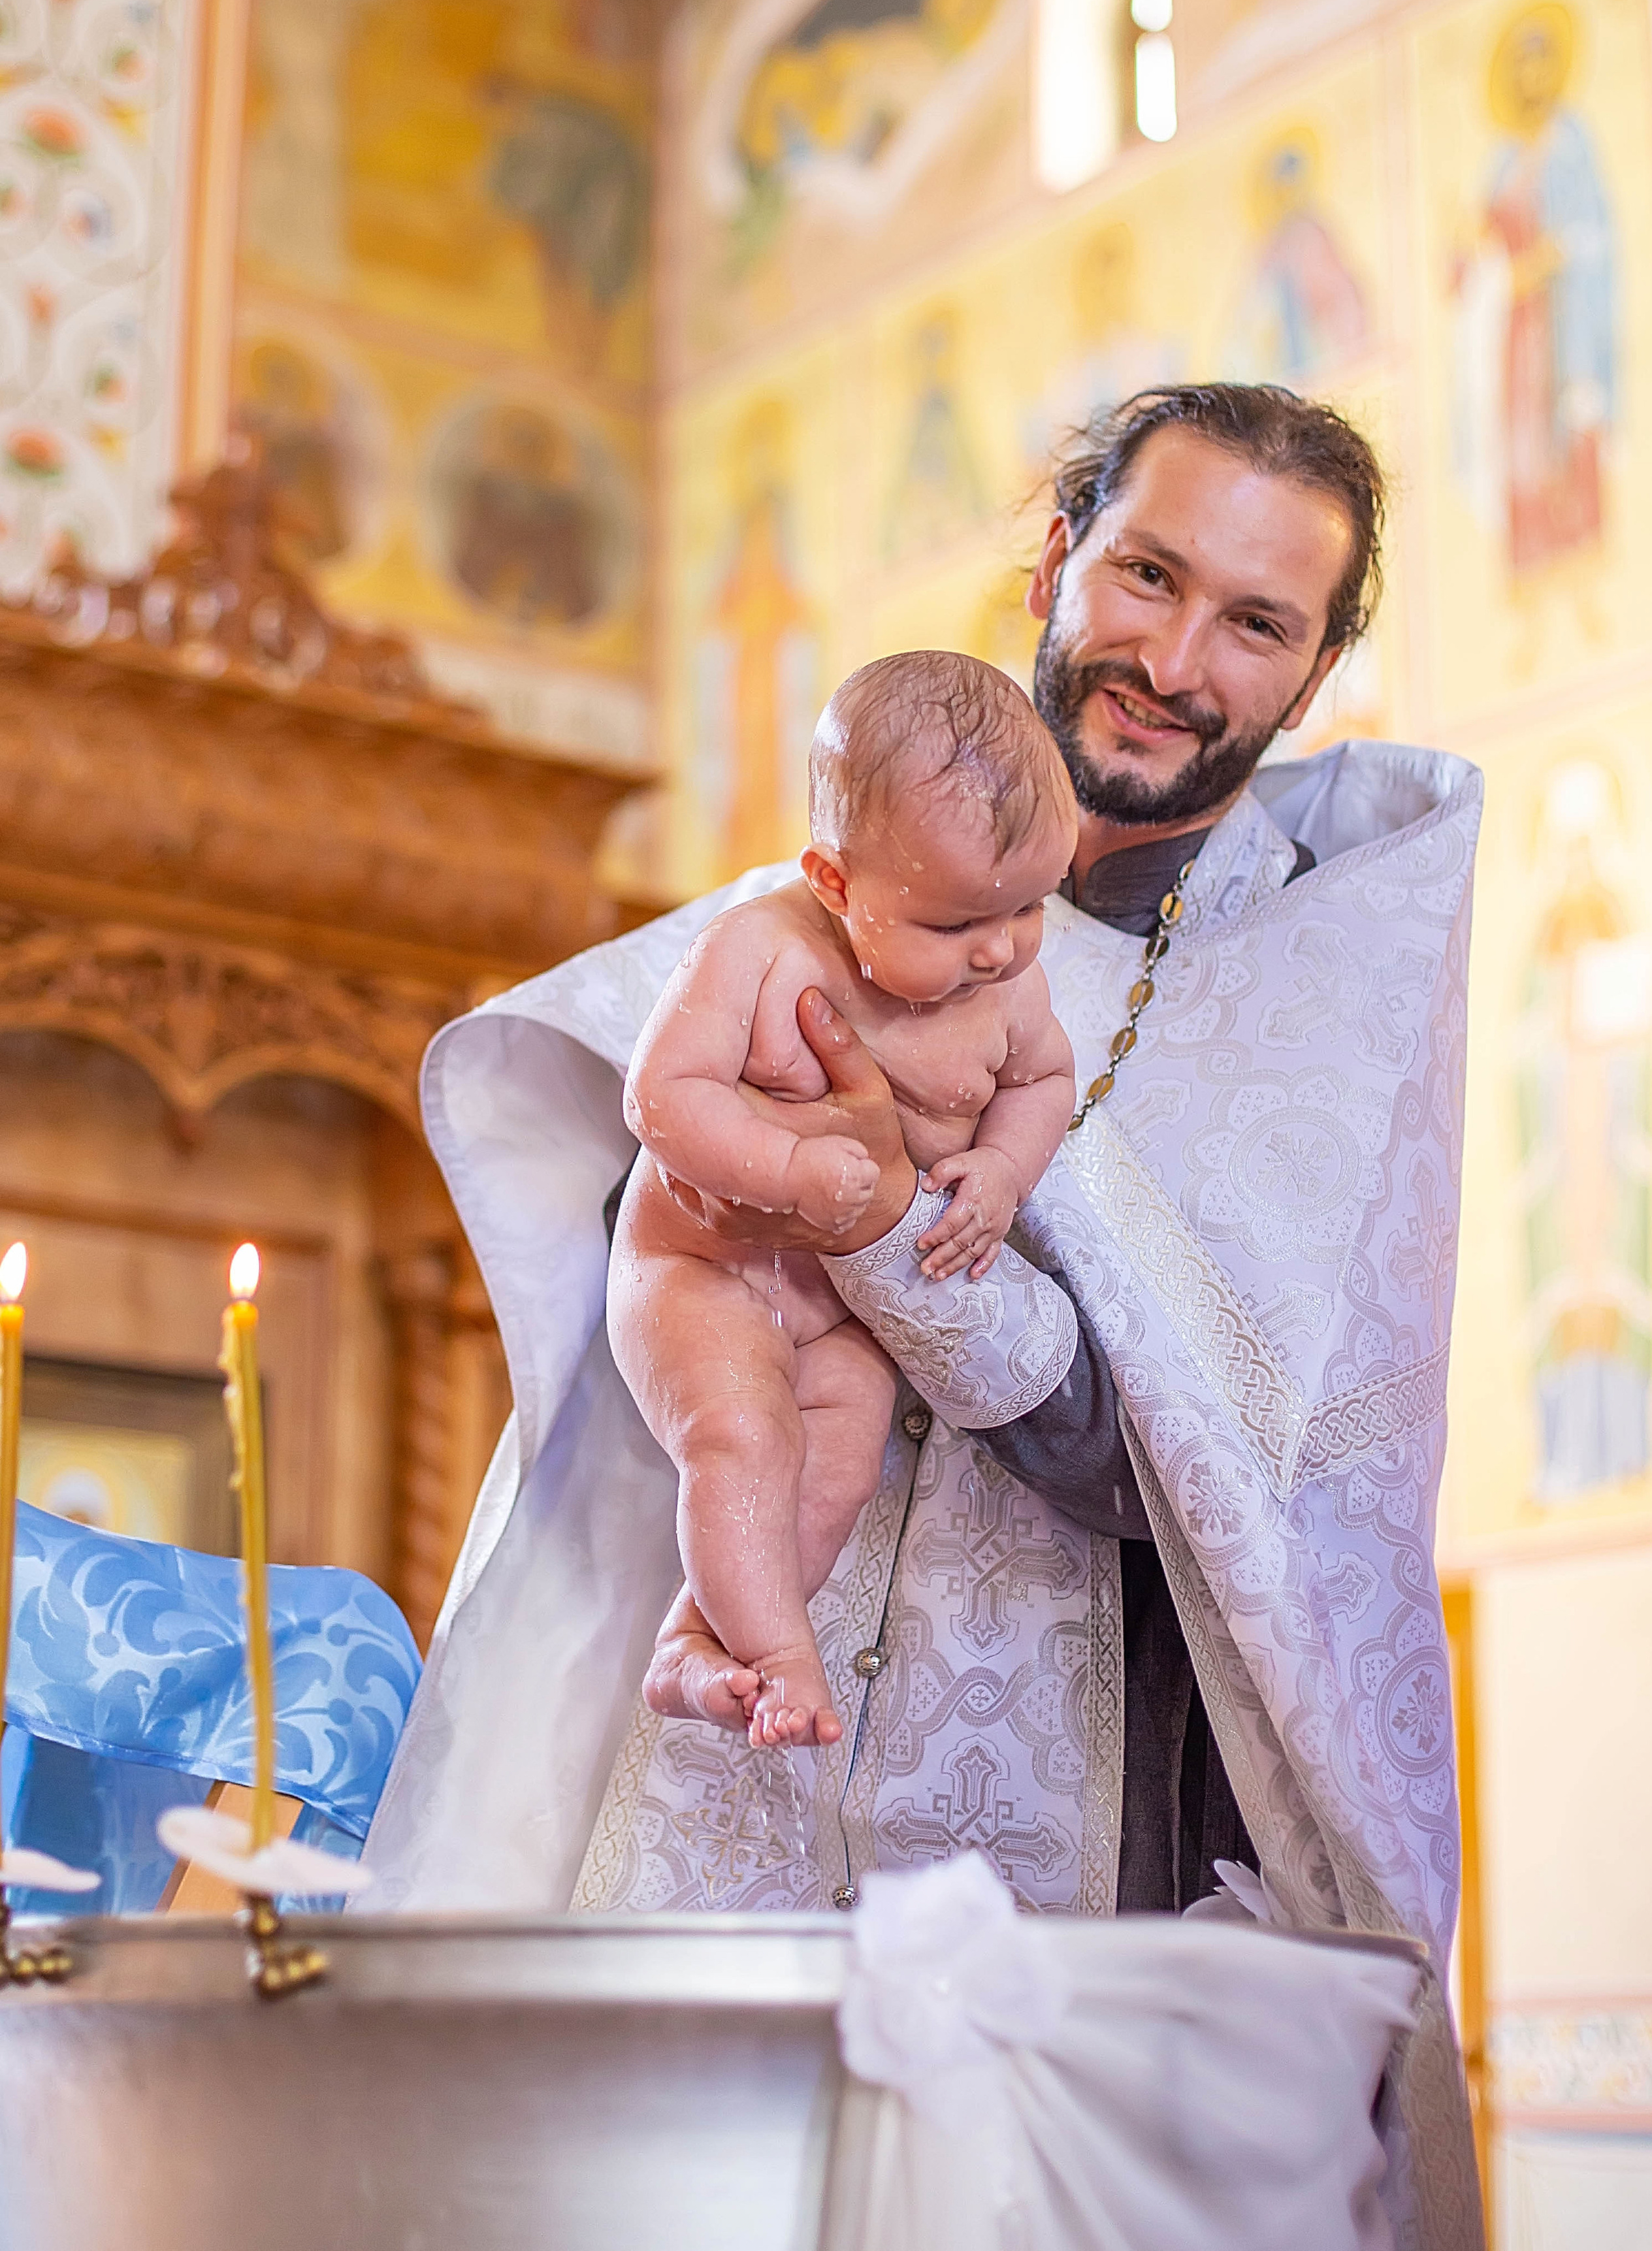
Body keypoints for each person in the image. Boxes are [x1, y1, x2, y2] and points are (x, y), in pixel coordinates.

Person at [361, 384, 1484, 2248]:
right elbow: (637, 1217)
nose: (1178, 662)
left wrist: (882, 1224)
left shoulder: (1324, 1000)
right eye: (1148, 574)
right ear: (1060, 558)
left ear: (1319, 666)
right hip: (707, 1800)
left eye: (1258, 623)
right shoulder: (810, 897)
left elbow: (1215, 1485)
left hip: (1055, 1872)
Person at [612, 653, 1077, 1751]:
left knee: (838, 1465)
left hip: (841, 1309)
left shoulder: (1007, 987)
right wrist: (781, 1171)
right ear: (833, 881)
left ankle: (699, 1639)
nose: (1002, 948)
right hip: (701, 1270)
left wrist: (1005, 1171)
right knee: (739, 1435)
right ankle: (776, 1660)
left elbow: (1044, 1081)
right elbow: (658, 1093)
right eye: (956, 924)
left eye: (1029, 906)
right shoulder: (762, 950)